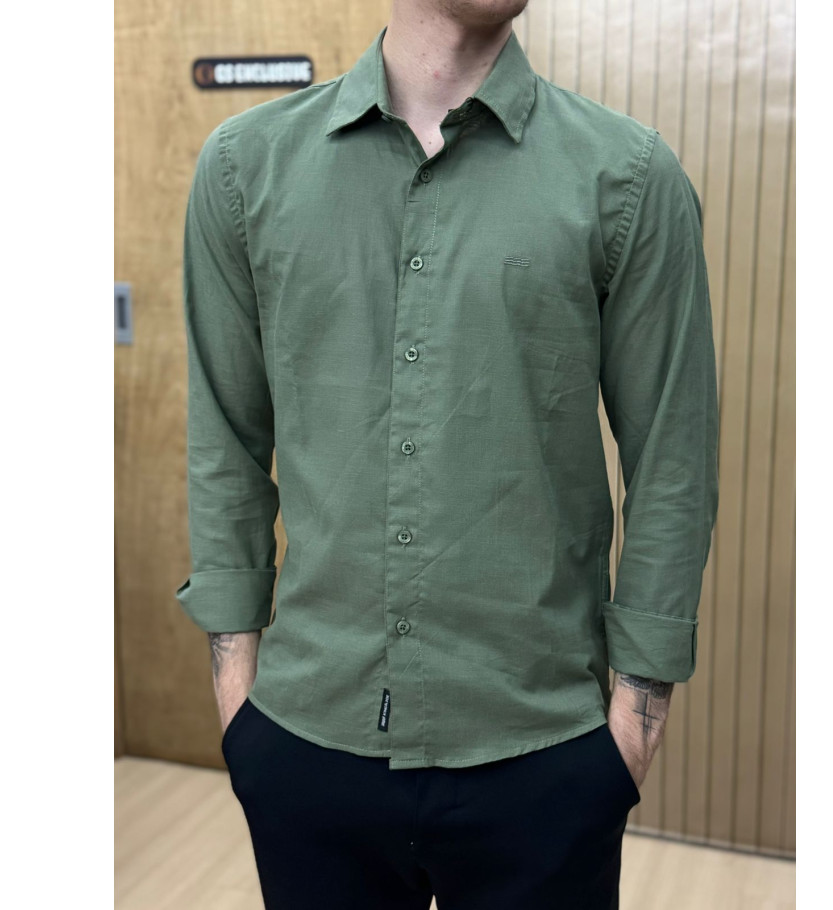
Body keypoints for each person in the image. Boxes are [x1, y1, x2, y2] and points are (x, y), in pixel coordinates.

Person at [175, 0, 720, 907]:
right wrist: (239, 699)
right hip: (306, 739)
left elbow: (674, 460)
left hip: (546, 753)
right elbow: (225, 438)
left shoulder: (627, 177)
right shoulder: (245, 167)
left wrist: (633, 726)